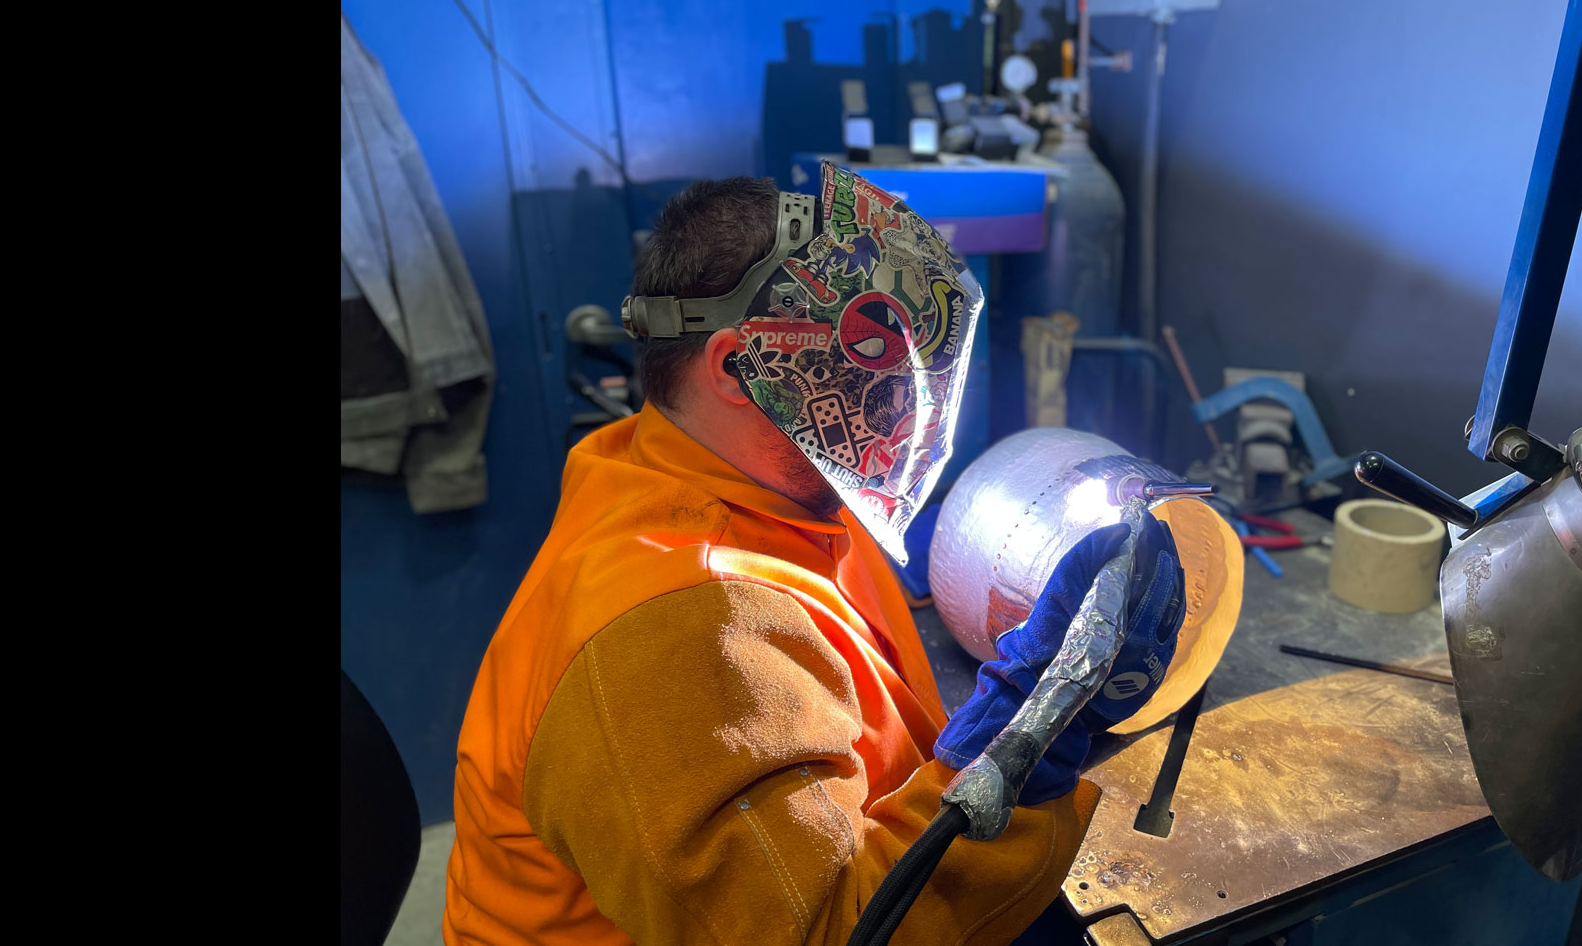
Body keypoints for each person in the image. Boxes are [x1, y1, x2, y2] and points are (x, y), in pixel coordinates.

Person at [443, 165, 1183, 946]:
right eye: (873, 356)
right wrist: (1035, 719)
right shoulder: (671, 641)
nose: (913, 405)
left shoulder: (747, 474)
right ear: (738, 366)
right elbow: (835, 934)